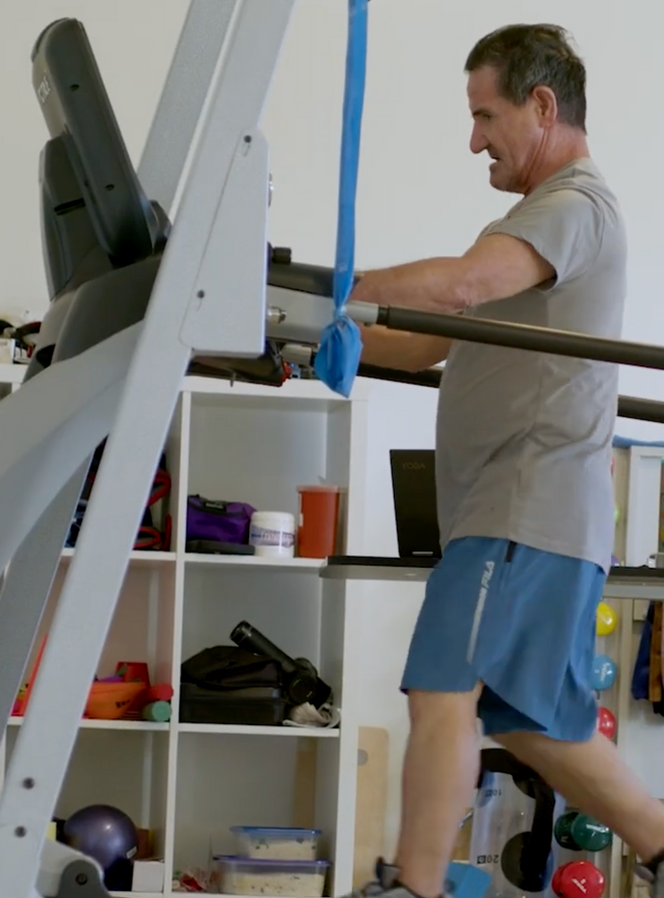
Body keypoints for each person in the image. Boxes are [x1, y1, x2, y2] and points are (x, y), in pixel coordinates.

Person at [344, 22, 664, 898]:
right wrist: (308, 332)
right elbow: (423, 345)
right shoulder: (530, 224)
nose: (474, 137)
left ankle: (413, 888)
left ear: (543, 106)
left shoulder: (574, 208)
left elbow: (457, 287)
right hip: (525, 514)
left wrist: (328, 285)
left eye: (486, 115)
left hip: (522, 510)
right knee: (532, 723)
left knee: (442, 689)